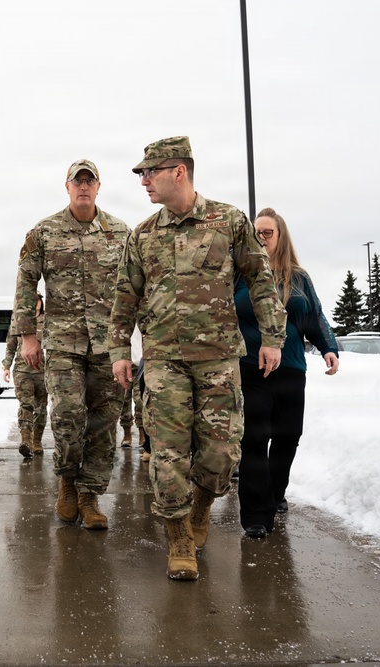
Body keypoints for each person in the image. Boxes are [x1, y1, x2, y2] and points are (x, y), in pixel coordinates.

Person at [110, 136, 287, 580]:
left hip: (218, 358)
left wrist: (273, 337)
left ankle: (203, 504)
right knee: (168, 456)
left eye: (150, 172)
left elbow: (261, 280)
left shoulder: (228, 222)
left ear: (179, 172)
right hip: (164, 360)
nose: (144, 181)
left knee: (222, 453)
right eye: (141, 174)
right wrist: (119, 352)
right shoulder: (143, 234)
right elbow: (124, 297)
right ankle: (179, 538)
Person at [13, 159, 130, 530]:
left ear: (98, 186)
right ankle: (66, 480)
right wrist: (28, 336)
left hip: (107, 345)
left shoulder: (120, 233)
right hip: (62, 343)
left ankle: (90, 494)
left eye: (89, 181)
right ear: (67, 187)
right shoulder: (43, 233)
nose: (83, 186)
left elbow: (133, 289)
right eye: (76, 181)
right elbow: (25, 285)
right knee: (66, 417)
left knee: (104, 421)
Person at [235, 207, 339, 538]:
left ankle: (275, 493)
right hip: (251, 368)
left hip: (292, 367)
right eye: (257, 233)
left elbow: (315, 316)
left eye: (268, 233)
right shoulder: (240, 274)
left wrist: (329, 347)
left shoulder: (299, 277)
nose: (261, 238)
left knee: (288, 436)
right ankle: (255, 514)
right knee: (254, 439)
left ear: (281, 237)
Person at [3, 293, 48, 458]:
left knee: (41, 409)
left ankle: (37, 441)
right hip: (23, 371)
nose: (35, 304)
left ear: (40, 303)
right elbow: (10, 346)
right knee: (26, 405)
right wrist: (6, 366)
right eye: (31, 300)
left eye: (37, 301)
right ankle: (26, 441)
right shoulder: (18, 321)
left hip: (43, 372)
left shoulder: (48, 321)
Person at [117, 361, 145, 447]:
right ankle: (127, 434)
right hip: (124, 366)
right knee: (124, 400)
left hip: (140, 366)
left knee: (140, 400)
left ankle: (142, 433)